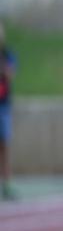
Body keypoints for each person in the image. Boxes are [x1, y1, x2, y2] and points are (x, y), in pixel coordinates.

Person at [0, 22, 14, 201]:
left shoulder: (7, 54)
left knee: (5, 147)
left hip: (3, 105)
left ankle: (7, 185)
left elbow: (11, 73)